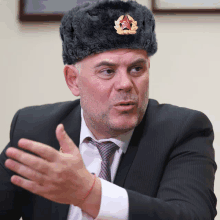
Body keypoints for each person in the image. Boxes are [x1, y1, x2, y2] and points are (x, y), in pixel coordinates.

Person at [0, 0, 217, 219]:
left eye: (136, 68)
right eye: (107, 71)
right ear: (73, 80)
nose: (125, 84)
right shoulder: (35, 129)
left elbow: (193, 215)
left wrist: (89, 193)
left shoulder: (183, 131)